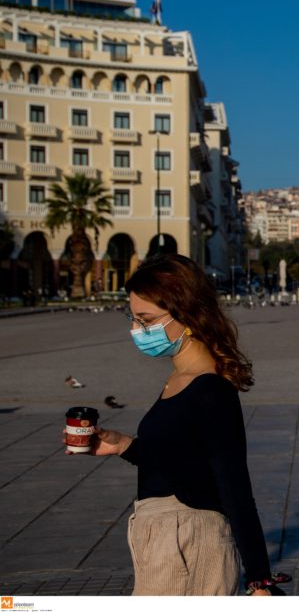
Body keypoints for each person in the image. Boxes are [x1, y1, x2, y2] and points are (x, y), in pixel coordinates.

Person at [76, 254, 284, 596]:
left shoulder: (210, 389)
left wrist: (259, 579)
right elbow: (181, 463)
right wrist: (124, 446)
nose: (135, 330)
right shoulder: (180, 379)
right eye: (132, 318)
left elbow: (233, 487)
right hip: (166, 542)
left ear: (186, 314)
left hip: (188, 544)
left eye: (146, 320)